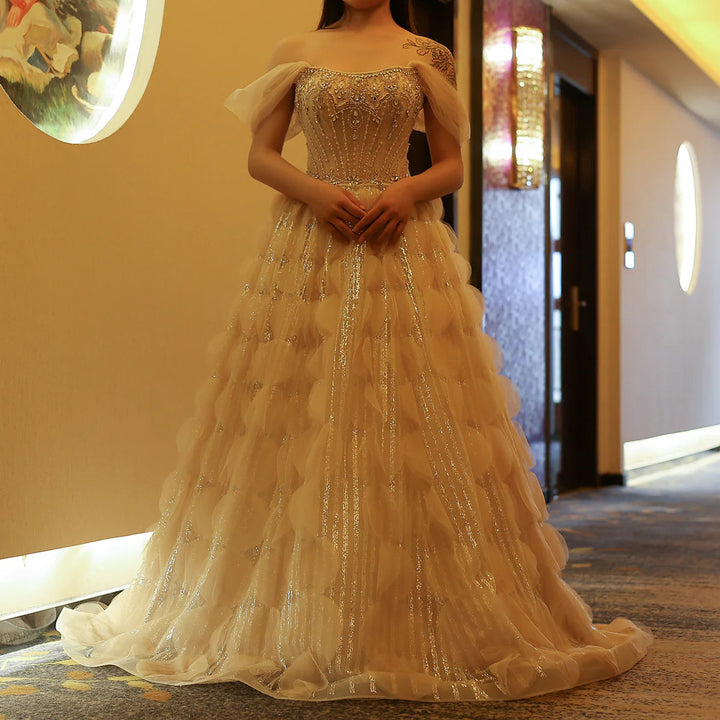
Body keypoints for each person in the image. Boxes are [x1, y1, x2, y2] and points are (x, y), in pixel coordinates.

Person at [57, 0, 654, 702]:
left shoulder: (427, 55)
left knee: (411, 415)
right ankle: (290, 612)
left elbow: (453, 165)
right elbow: (260, 156)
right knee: (293, 415)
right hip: (312, 240)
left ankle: (406, 615)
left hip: (402, 242)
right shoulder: (297, 48)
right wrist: (315, 192)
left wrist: (405, 193)